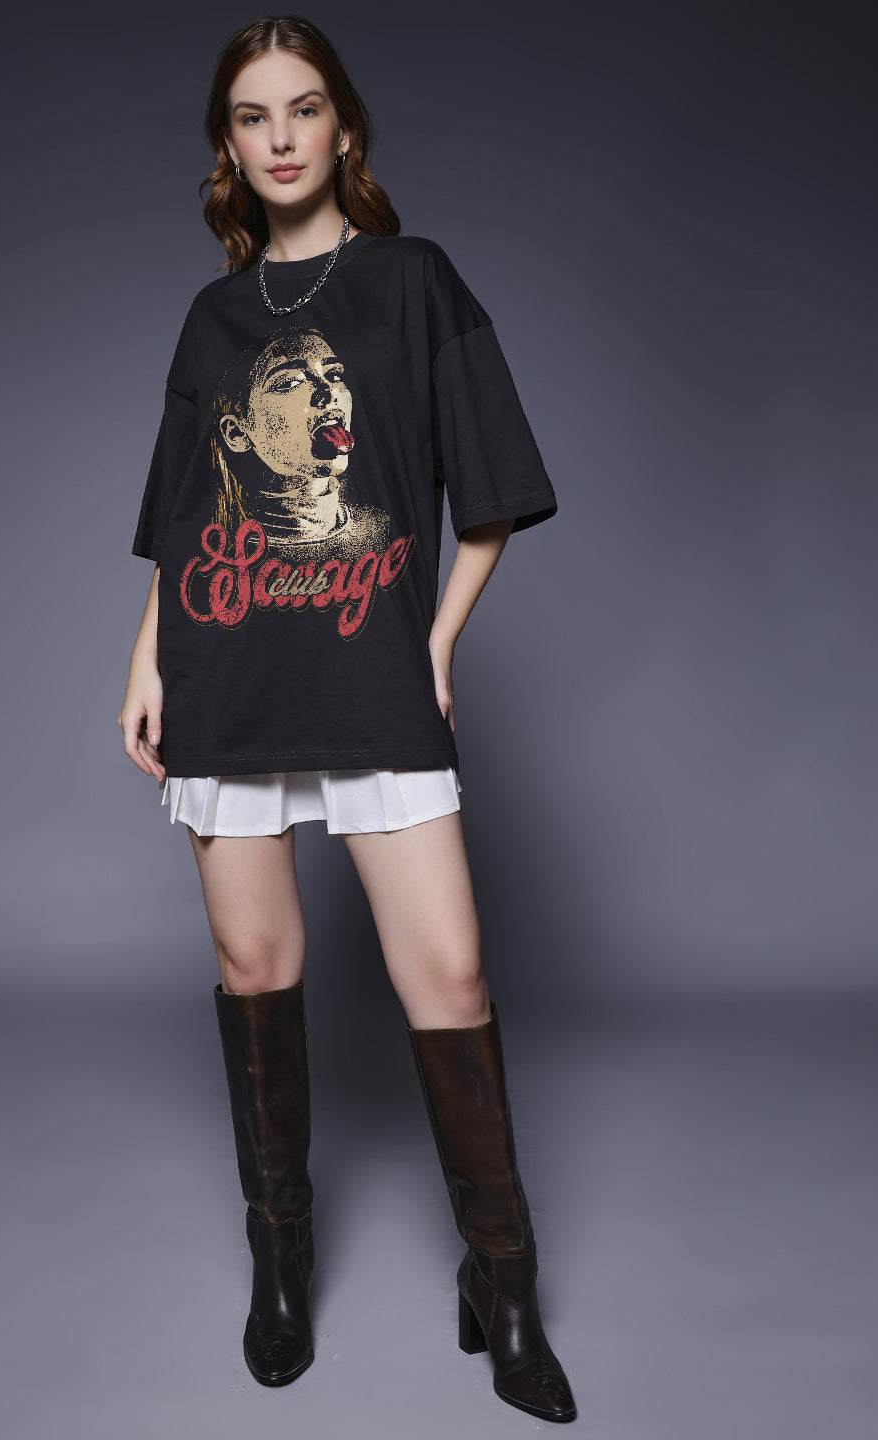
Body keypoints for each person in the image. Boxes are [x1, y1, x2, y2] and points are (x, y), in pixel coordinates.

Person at [117, 14, 577, 1425]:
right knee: (255, 964)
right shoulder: (210, 322)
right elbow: (179, 522)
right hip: (225, 674)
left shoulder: (413, 280)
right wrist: (143, 661)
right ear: (228, 146)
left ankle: (503, 1281)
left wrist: (434, 641)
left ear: (344, 128)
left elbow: (490, 493)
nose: (282, 137)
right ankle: (281, 1260)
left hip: (373, 676)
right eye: (254, 116)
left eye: (304, 108)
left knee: (452, 976)